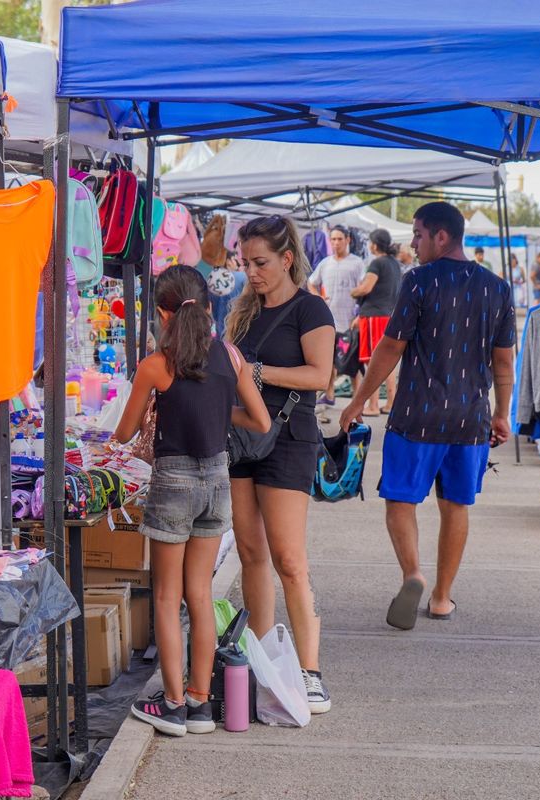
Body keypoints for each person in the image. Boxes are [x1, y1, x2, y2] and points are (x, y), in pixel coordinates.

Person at [339, 202, 516, 629]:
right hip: (470, 419)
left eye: (418, 234)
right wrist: (501, 414)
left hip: (416, 414)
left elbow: (391, 346)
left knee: (401, 500)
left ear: (441, 236)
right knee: (456, 505)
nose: (413, 243)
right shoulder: (498, 288)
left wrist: (358, 400)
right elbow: (504, 361)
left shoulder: (419, 281)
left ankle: (412, 574)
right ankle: (440, 598)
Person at [115, 265, 270, 737]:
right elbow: (260, 421)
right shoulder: (231, 356)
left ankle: (174, 703)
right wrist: (221, 409)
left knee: (166, 597)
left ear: (162, 314)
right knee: (199, 595)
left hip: (174, 482)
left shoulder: (156, 365)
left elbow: (123, 434)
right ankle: (202, 704)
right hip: (218, 479)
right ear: (207, 306)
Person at [227, 215, 336, 713]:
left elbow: (320, 376)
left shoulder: (310, 309)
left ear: (286, 258)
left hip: (289, 438)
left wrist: (256, 370)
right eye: (246, 262)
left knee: (289, 561)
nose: (251, 271)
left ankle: (310, 672)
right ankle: (265, 657)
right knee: (251, 554)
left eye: (261, 262)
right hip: (243, 438)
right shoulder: (243, 312)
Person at [308, 225, 364, 405]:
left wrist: (359, 315)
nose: (336, 243)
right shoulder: (325, 263)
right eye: (333, 239)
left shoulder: (357, 263)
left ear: (348, 240)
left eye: (340, 239)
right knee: (328, 361)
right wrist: (318, 299)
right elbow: (311, 283)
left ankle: (357, 402)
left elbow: (364, 291)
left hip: (350, 323)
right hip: (329, 322)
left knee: (352, 364)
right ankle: (329, 395)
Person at [351, 228, 402, 415]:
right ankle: (390, 402)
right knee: (387, 361)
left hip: (373, 317)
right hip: (388, 316)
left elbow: (366, 288)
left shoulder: (377, 263)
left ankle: (372, 406)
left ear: (374, 244)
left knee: (372, 361)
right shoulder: (394, 264)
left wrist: (353, 291)